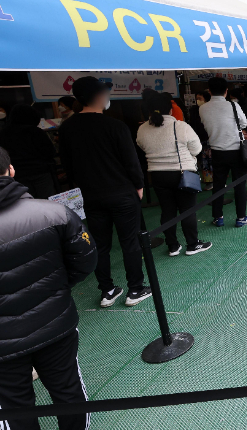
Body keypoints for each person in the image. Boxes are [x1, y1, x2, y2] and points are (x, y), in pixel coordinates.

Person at [0, 147, 97, 430]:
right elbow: (85, 259)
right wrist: (54, 287)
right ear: (11, 170)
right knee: (68, 389)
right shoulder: (53, 212)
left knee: (12, 407)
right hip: (56, 321)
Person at [59, 76, 151, 308]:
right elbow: (132, 163)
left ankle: (107, 290)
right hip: (122, 193)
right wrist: (139, 187)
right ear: (99, 96)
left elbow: (67, 165)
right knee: (130, 242)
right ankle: (135, 289)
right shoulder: (115, 126)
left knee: (100, 244)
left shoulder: (67, 128)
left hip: (90, 195)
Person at [136, 92, 212, 257]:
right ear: (170, 109)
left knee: (167, 210)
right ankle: (192, 244)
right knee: (187, 210)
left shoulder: (142, 129)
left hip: (157, 175)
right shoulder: (180, 126)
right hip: (182, 173)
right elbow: (197, 149)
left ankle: (172, 246)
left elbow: (141, 146)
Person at [200, 76, 247, 228]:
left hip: (216, 151)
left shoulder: (203, 108)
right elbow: (244, 123)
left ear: (209, 91)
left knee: (218, 184)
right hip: (236, 150)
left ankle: (218, 217)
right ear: (226, 91)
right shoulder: (233, 105)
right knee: (239, 183)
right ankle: (241, 217)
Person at [0, 104, 57, 199]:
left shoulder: (3, 133)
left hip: (18, 174)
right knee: (47, 200)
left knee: (26, 201)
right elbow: (50, 152)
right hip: (40, 171)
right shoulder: (35, 131)